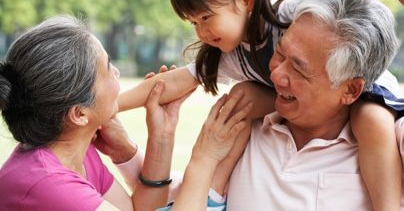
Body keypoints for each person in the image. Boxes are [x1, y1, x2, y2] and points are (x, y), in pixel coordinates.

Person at [117, 0, 404, 209]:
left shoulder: (287, 14)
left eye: (207, 17)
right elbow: (173, 82)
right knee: (241, 100)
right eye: (193, 23)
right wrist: (109, 106)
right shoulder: (232, 55)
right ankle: (213, 194)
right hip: (298, 97)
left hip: (360, 83)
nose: (201, 31)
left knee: (371, 120)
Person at [0, 16, 252, 210]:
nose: (117, 73)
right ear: (78, 114)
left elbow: (139, 209)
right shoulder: (48, 183)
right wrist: (204, 158)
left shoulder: (72, 149)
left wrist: (161, 136)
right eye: (108, 68)